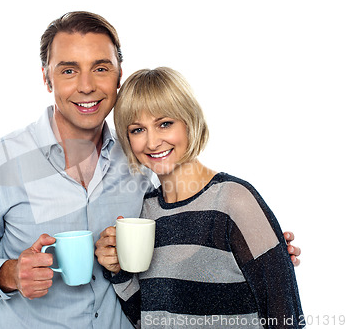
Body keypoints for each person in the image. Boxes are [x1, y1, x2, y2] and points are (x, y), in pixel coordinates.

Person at [0, 12, 301, 328]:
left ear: (118, 77)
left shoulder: (139, 162)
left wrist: (254, 246)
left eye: (100, 68)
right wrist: (7, 273)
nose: (86, 85)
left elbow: (183, 229)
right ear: (46, 78)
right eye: (68, 70)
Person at [95, 67, 304, 328]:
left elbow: (287, 318)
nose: (152, 142)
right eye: (137, 130)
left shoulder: (233, 200)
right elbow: (148, 319)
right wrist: (118, 272)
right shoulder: (144, 211)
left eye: (164, 124)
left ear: (189, 121)